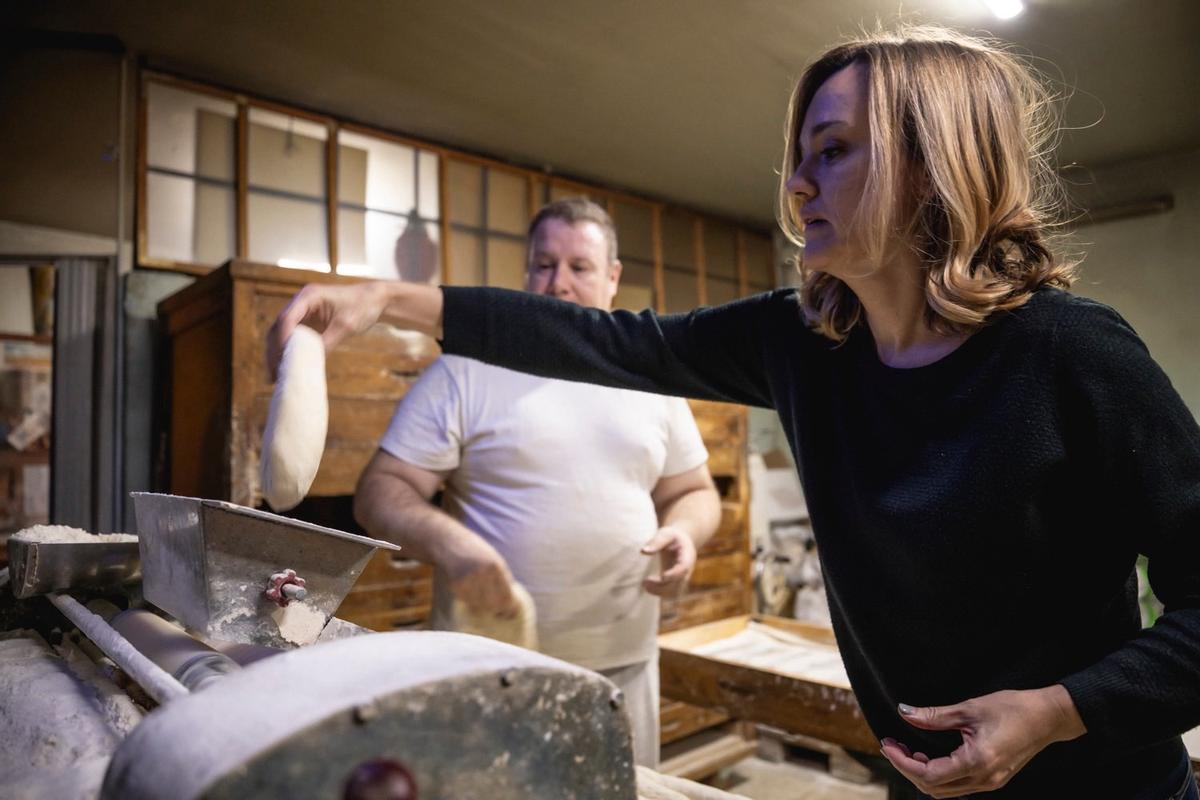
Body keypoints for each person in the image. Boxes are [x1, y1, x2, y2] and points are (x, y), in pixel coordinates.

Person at [269, 26, 1200, 799]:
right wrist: (388, 302)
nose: (797, 186)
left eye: (832, 153)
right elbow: (614, 343)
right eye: (800, 159)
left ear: (934, 164)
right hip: (922, 782)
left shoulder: (1072, 353)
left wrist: (1055, 711)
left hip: (1105, 786)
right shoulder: (804, 345)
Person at [347, 198, 720, 769]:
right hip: (490, 669)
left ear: (612, 279)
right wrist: (453, 546)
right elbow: (381, 490)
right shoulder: (467, 368)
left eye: (579, 267)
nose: (559, 284)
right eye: (544, 264)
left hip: (625, 667)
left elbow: (693, 492)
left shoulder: (649, 376)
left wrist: (686, 533)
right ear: (525, 272)